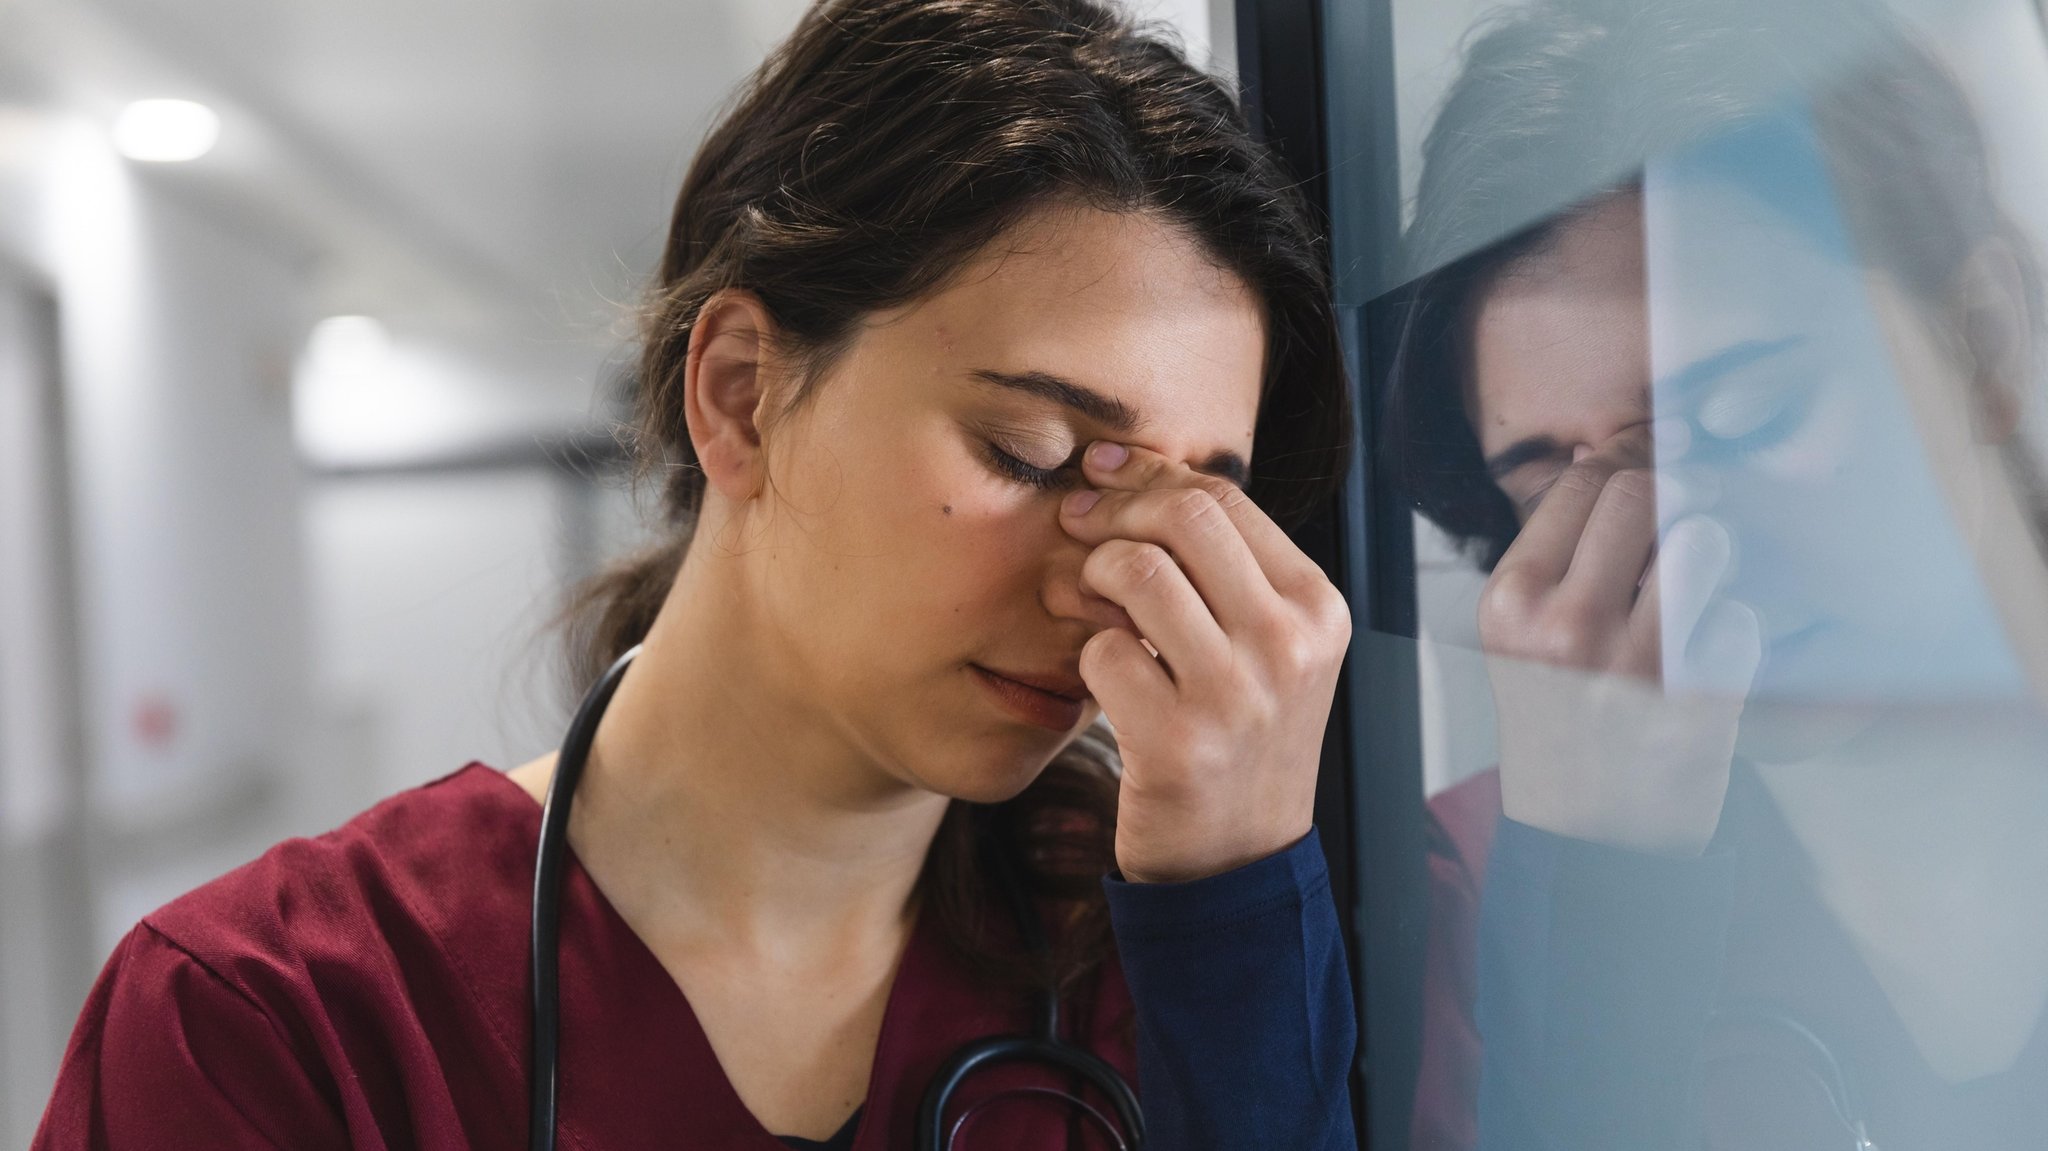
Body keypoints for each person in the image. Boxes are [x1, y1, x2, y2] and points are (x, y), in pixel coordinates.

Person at [32, 2, 1363, 1148]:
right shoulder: (276, 1016)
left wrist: (1234, 905)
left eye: (1192, 505)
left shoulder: (1169, 957)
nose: (1107, 581)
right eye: (1032, 451)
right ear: (738, 394)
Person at [1385, 0, 2048, 1147]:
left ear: (1979, 335)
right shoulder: (1458, 893)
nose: (1662, 545)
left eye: (1741, 413)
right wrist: (1592, 899)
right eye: (1552, 481)